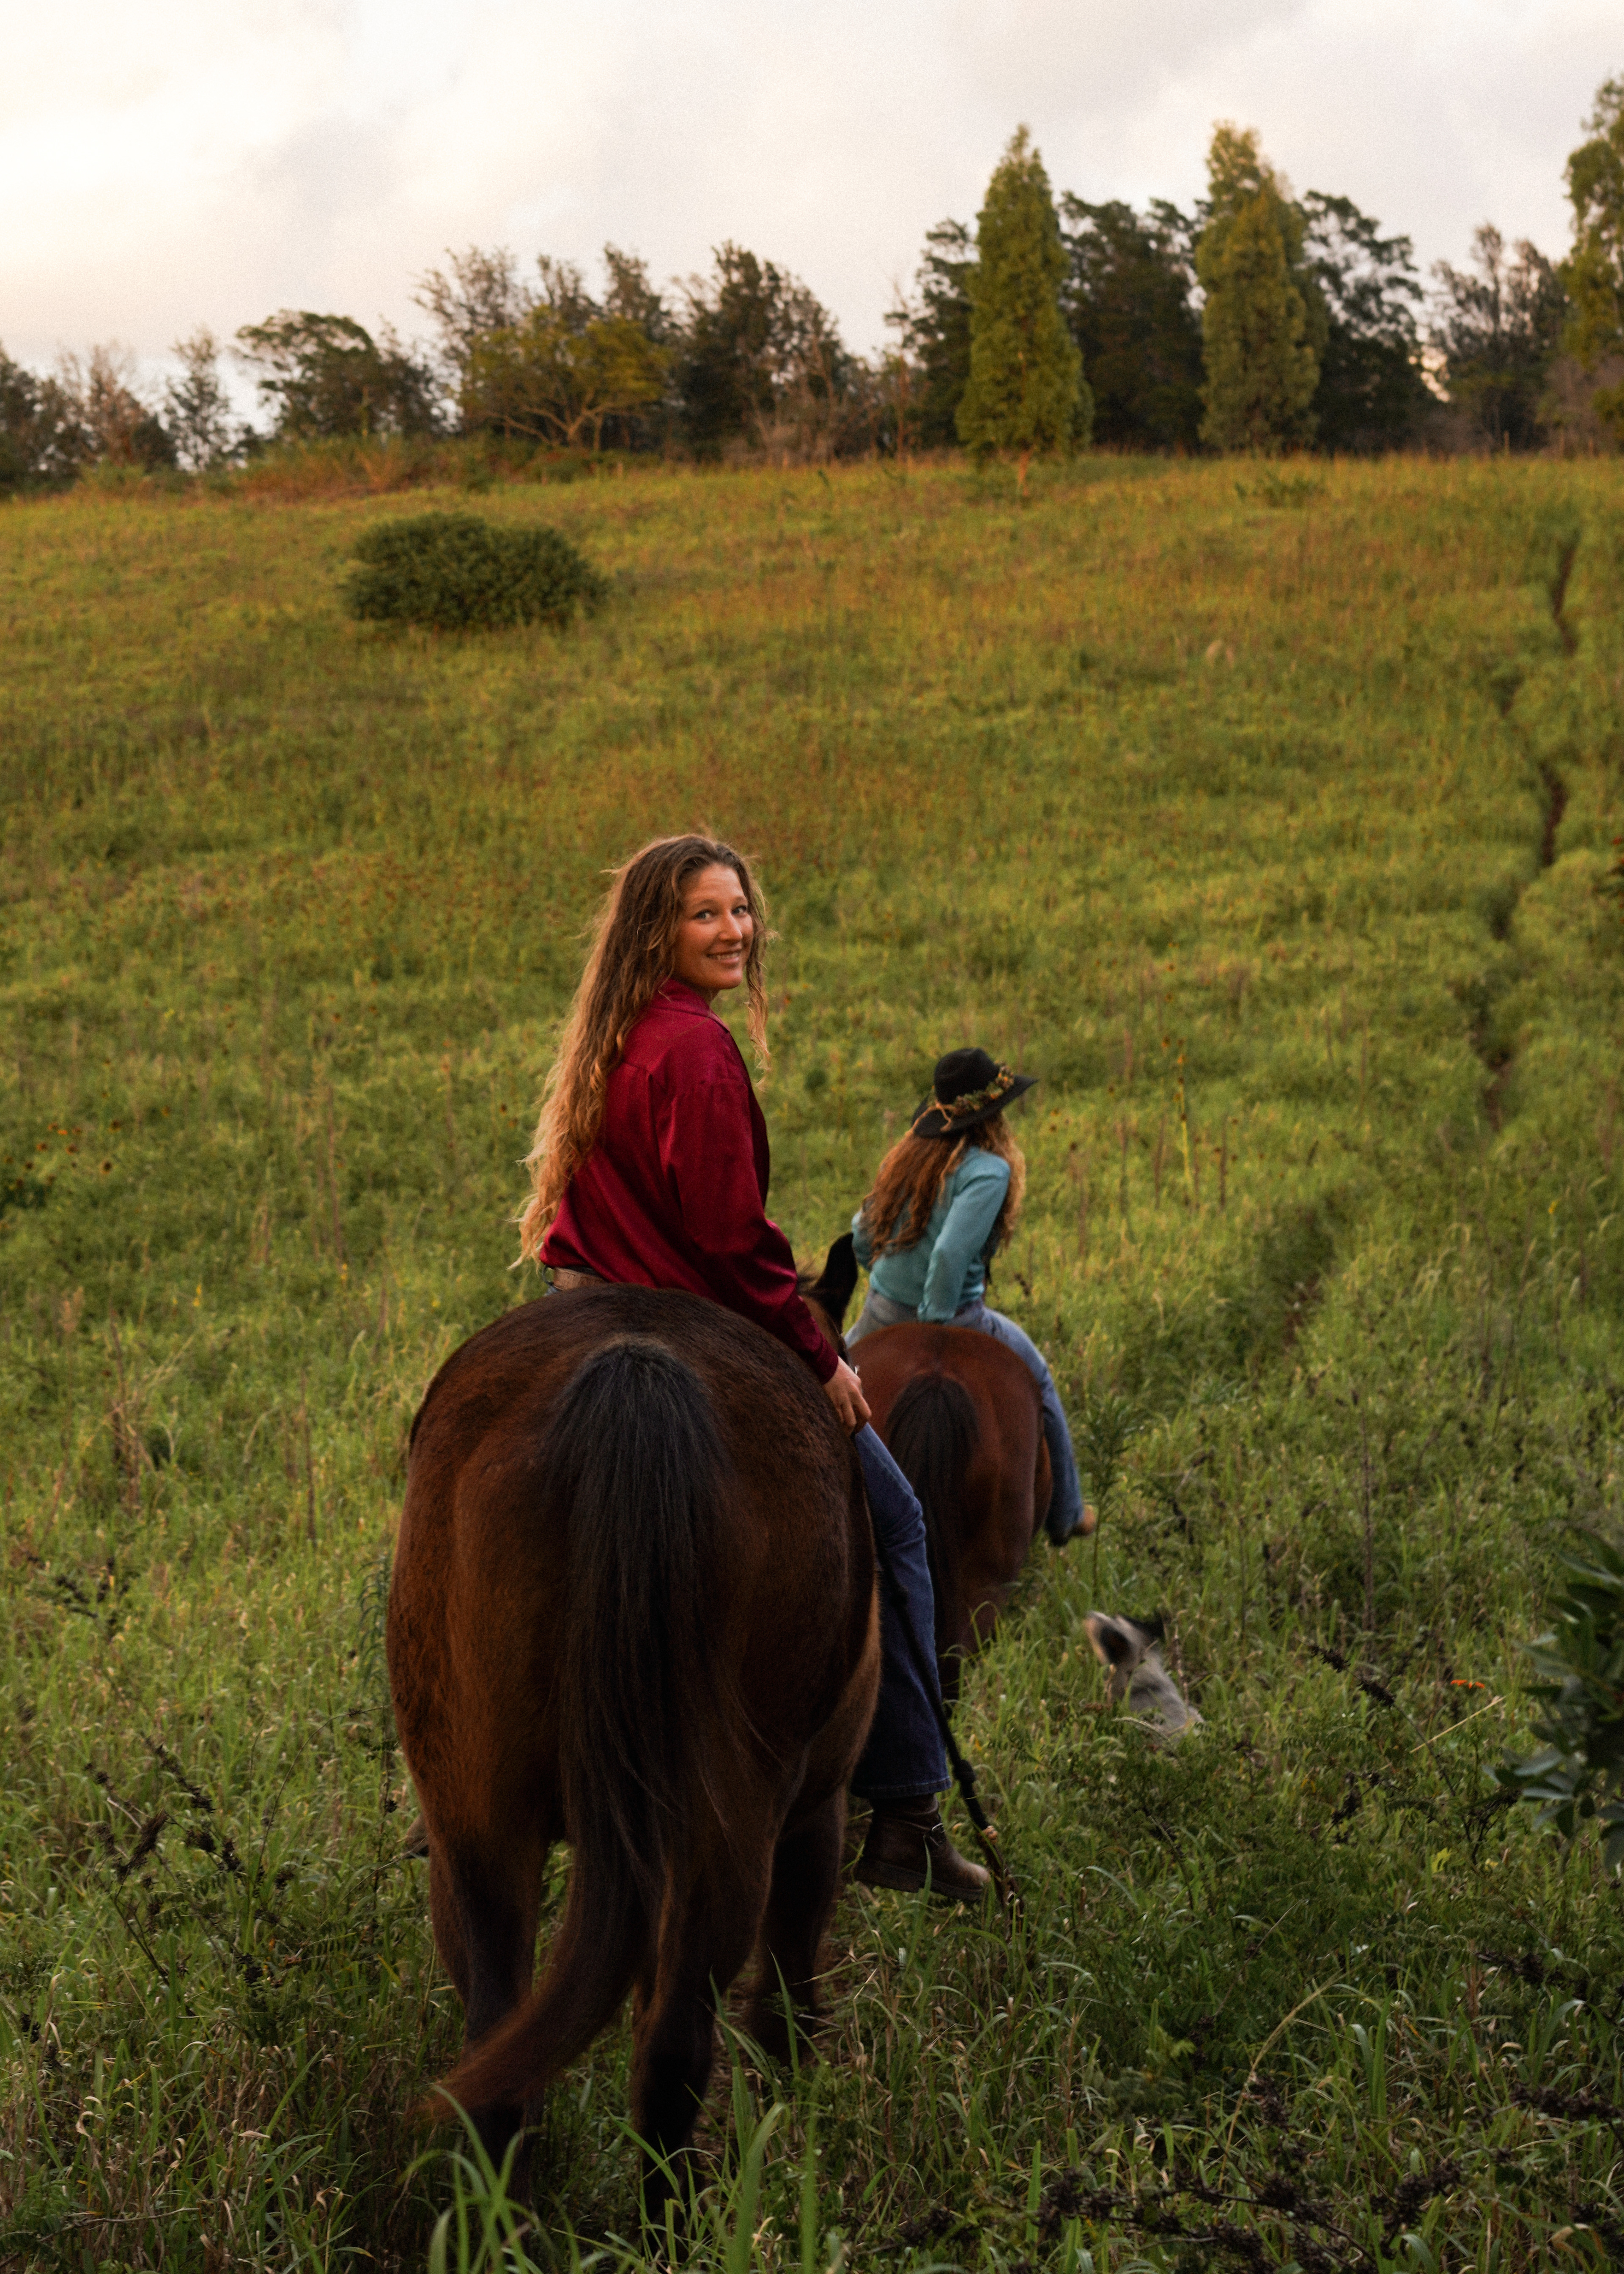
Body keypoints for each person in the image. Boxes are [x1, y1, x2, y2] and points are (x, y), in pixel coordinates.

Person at [517, 835, 988, 1902]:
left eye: (740, 911)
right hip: (686, 1332)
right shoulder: (696, 1049)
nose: (734, 931)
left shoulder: (610, 1036)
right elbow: (730, 1241)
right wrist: (820, 1358)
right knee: (898, 1523)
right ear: (658, 930)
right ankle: (908, 1808)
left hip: (577, 1317)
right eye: (706, 914)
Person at [846, 1047, 1089, 1546]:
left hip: (881, 1314)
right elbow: (950, 1255)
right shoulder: (989, 1171)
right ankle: (1067, 1514)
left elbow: (861, 1235)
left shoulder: (909, 1156)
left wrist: (887, 1282)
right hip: (956, 1317)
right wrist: (934, 1328)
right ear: (992, 1115)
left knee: (824, 1386)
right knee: (1039, 1377)